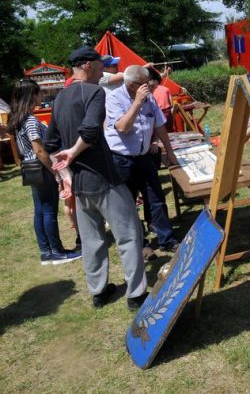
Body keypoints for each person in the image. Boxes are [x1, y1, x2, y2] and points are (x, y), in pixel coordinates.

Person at [45, 47, 148, 310]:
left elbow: (50, 144)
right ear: (88, 65)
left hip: (80, 183)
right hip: (104, 179)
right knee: (129, 234)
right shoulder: (95, 92)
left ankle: (98, 292)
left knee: (91, 241)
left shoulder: (59, 98)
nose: (104, 69)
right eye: (100, 64)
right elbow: (90, 131)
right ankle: (136, 294)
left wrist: (66, 174)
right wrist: (73, 153)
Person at [104, 65, 180, 256]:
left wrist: (169, 151)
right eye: (144, 83)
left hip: (144, 157)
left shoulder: (149, 98)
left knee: (156, 199)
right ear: (131, 84)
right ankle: (141, 244)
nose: (149, 86)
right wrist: (137, 103)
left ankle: (167, 240)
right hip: (122, 160)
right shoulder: (114, 98)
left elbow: (160, 125)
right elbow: (123, 127)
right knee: (128, 205)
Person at [7, 79, 82, 265]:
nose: (42, 96)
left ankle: (46, 251)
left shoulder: (18, 119)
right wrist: (56, 174)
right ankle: (57, 252)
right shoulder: (31, 120)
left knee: (40, 211)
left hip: (29, 168)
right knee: (49, 211)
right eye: (39, 92)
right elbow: (39, 150)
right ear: (31, 95)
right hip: (41, 167)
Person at [148, 67, 174, 132]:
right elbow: (171, 103)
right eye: (152, 86)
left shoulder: (151, 95)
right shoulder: (166, 89)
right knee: (168, 130)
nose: (153, 89)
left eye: (154, 87)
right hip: (166, 112)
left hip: (159, 112)